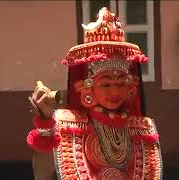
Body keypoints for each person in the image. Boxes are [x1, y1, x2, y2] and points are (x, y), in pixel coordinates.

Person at [26, 7, 162, 180]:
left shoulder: (142, 129)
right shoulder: (68, 125)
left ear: (130, 87)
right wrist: (45, 123)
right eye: (105, 83)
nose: (115, 91)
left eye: (121, 83)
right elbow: (42, 175)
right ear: (88, 86)